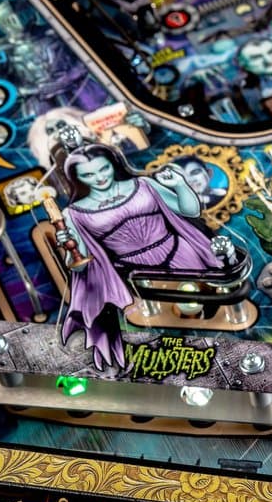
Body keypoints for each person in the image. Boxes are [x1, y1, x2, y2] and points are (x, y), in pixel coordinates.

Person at [50, 142, 229, 368]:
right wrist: (68, 247)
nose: (99, 178)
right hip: (133, 273)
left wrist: (181, 185)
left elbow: (190, 211)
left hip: (181, 254)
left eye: (103, 169)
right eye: (88, 174)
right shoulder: (73, 214)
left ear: (113, 164)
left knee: (211, 310)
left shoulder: (143, 184)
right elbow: (79, 265)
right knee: (165, 327)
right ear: (77, 178)